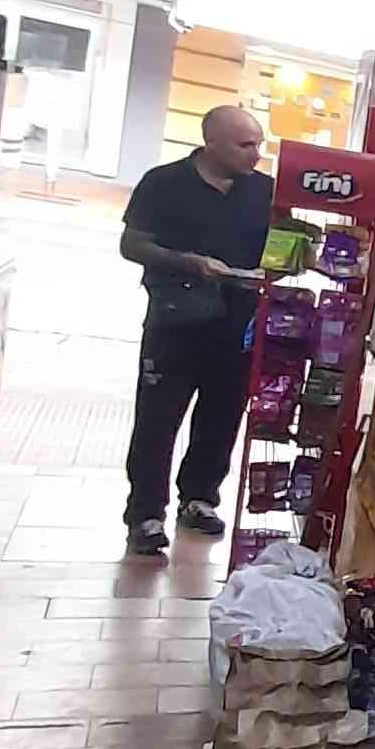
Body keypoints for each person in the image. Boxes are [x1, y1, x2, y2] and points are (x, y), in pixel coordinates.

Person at [119, 105, 273, 557]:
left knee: (222, 416)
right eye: (245, 145)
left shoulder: (263, 191)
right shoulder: (163, 183)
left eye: (259, 144)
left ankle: (200, 499)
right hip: (176, 319)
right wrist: (188, 263)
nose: (256, 154)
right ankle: (145, 514)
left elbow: (281, 243)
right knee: (158, 419)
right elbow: (132, 244)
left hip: (238, 323)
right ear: (212, 142)